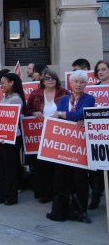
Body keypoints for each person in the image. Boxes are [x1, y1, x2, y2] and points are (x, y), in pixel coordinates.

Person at [46, 70, 95, 223]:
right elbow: (59, 116)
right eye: (76, 82)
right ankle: (59, 211)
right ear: (71, 83)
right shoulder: (63, 99)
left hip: (79, 145)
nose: (79, 85)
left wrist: (63, 115)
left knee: (79, 178)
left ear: (86, 84)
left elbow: (80, 115)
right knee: (61, 178)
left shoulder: (89, 98)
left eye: (82, 82)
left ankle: (78, 212)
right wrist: (66, 116)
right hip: (63, 144)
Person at [25, 69, 69, 203]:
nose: (51, 80)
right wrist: (34, 113)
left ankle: (59, 193)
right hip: (41, 135)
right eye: (48, 78)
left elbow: (70, 110)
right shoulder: (36, 93)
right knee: (43, 166)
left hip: (59, 134)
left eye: (53, 78)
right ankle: (45, 193)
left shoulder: (64, 94)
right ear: (42, 81)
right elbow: (27, 109)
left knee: (58, 167)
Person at [0, 72, 26, 206]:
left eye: (3, 83)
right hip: (0, 136)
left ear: (11, 83)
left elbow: (11, 119)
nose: (1, 86)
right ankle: (2, 194)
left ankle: (11, 196)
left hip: (10, 138)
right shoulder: (5, 97)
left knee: (10, 168)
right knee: (1, 168)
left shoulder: (16, 99)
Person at [88, 60, 109, 209]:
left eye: (103, 69)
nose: (101, 72)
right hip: (96, 135)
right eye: (98, 70)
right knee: (96, 170)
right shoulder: (92, 91)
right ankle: (95, 197)